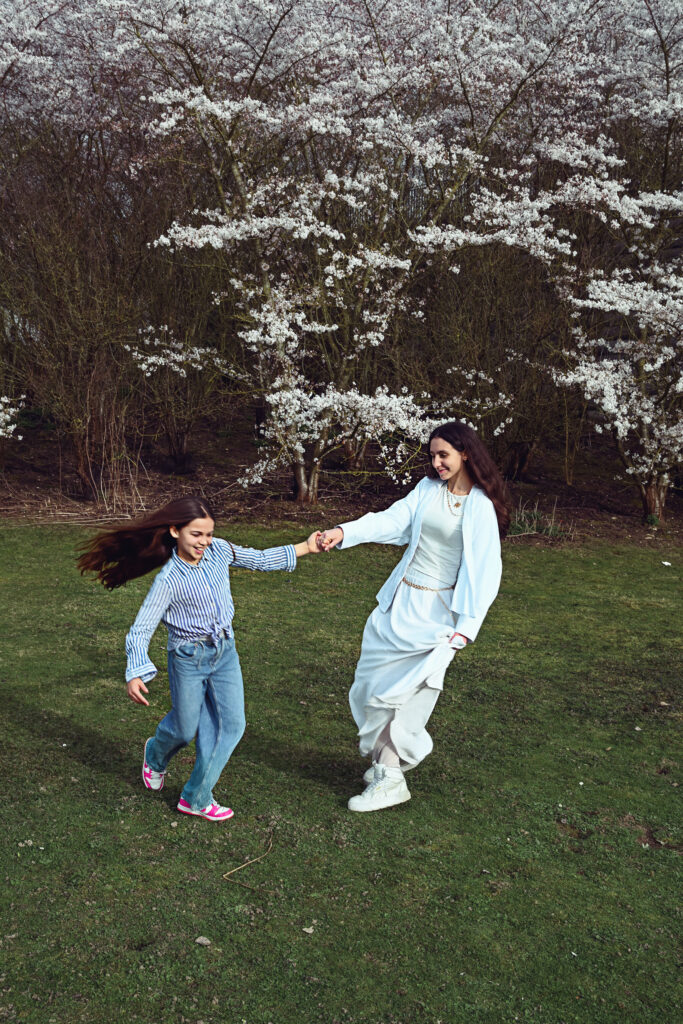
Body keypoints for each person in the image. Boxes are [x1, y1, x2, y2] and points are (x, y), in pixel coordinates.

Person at [78, 496, 321, 822]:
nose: (204, 542)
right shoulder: (169, 581)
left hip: (224, 653)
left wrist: (305, 547)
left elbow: (259, 559)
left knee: (231, 725)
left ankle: (195, 797)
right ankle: (155, 752)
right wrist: (135, 672)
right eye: (196, 535)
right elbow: (141, 628)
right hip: (187, 659)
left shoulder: (219, 550)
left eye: (208, 534)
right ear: (175, 531)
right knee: (184, 728)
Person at [318, 421, 509, 812]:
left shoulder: (480, 507)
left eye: (444, 455)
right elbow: (391, 520)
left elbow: (488, 572)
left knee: (400, 698)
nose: (436, 462)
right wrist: (343, 531)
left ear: (465, 454)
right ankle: (385, 764)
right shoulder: (427, 490)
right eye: (433, 455)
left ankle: (390, 778)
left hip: (436, 618)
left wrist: (467, 628)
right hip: (398, 605)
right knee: (369, 689)